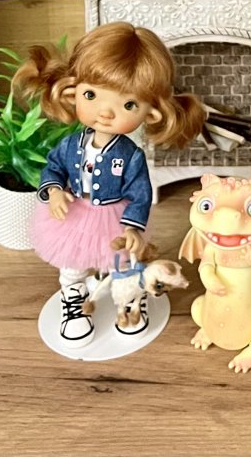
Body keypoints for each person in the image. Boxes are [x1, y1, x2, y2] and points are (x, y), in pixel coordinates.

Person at [14, 22, 204, 347]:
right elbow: (53, 167)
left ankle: (129, 304)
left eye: (128, 105)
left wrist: (132, 227)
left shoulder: (131, 155)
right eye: (91, 95)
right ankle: (74, 299)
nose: (105, 112)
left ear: (151, 114)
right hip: (74, 211)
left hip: (115, 217)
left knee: (122, 263)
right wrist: (55, 190)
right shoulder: (70, 144)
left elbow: (140, 193)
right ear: (72, 92)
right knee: (72, 263)